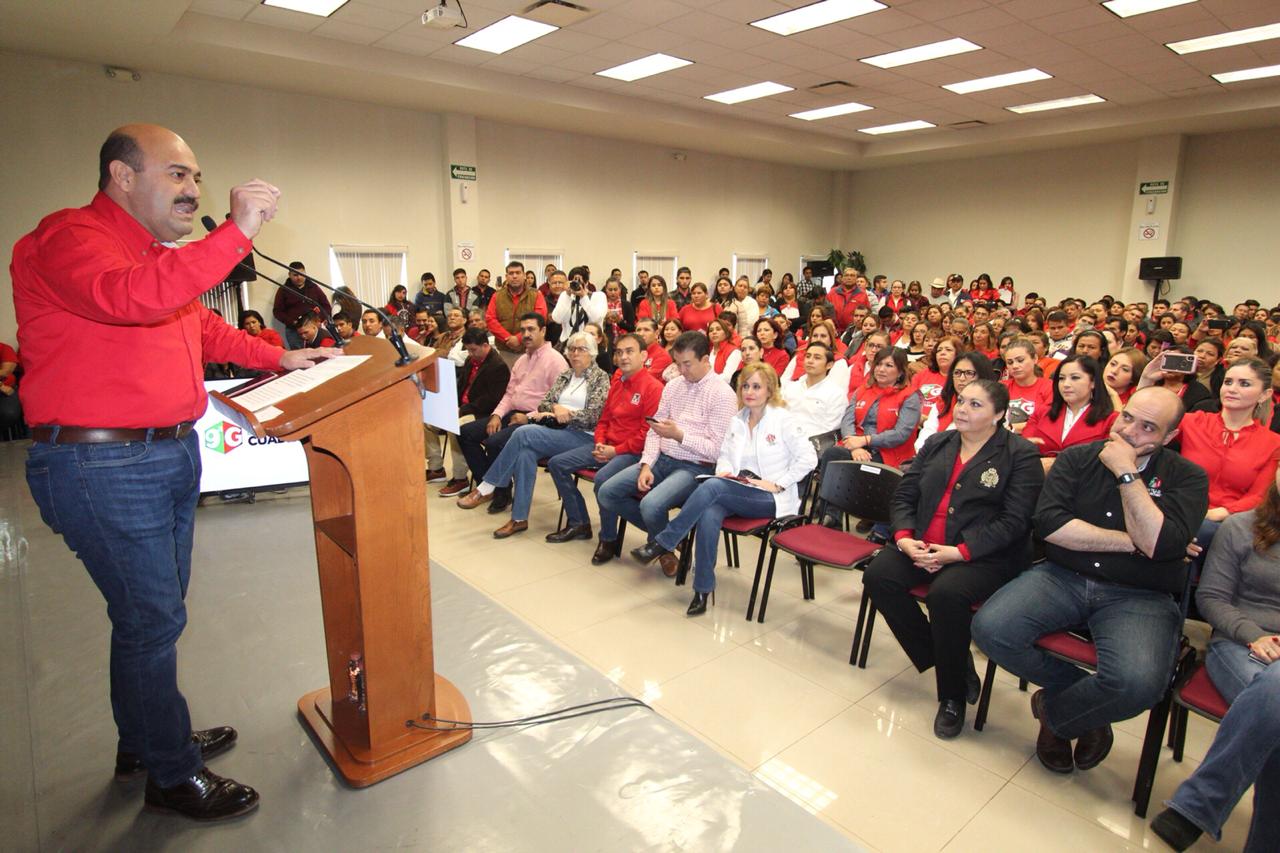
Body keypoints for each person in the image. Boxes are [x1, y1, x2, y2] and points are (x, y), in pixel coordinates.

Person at [10, 123, 341, 820]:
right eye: (177, 174)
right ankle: (170, 772)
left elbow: (199, 326)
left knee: (147, 619)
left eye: (196, 177)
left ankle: (144, 741)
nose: (193, 189)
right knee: (153, 617)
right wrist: (236, 235)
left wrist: (278, 357)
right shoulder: (67, 239)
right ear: (122, 176)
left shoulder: (155, 259)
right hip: (101, 462)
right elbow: (132, 299)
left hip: (165, 452)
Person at [972, 387, 1209, 775]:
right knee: (991, 629)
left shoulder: (1188, 477)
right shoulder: (1078, 458)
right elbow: (1051, 526)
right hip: (1062, 575)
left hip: (1140, 595)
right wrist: (1137, 543)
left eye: (1148, 427)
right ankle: (1085, 704)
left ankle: (1057, 714)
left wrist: (1126, 473)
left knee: (1137, 683)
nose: (1130, 431)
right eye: (1127, 417)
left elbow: (1160, 543)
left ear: (1169, 437)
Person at [864, 380, 1044, 738]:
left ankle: (952, 697)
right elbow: (904, 495)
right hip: (923, 543)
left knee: (945, 595)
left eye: (975, 405)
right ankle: (953, 660)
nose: (962, 409)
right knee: (878, 576)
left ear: (999, 414)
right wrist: (904, 538)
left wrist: (959, 552)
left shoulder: (1020, 454)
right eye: (961, 401)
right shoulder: (938, 442)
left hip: (984, 555)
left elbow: (1015, 521)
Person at [1151, 470, 1280, 852]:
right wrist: (1253, 634)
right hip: (1239, 644)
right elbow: (1211, 598)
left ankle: (1196, 808)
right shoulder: (1241, 527)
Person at [633, 362, 817, 615]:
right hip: (737, 489)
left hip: (772, 497)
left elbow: (809, 459)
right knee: (709, 512)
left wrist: (779, 483)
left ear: (770, 390)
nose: (749, 392)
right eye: (745, 386)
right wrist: (726, 473)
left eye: (756, 387)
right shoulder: (737, 420)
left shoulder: (783, 419)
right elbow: (725, 458)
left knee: (713, 488)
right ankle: (702, 590)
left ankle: (664, 541)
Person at [595, 331, 738, 573]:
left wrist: (680, 435)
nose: (681, 370)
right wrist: (647, 464)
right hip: (661, 459)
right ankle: (668, 539)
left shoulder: (722, 394)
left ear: (706, 360)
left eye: (687, 364)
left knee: (650, 505)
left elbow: (716, 452)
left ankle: (663, 542)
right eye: (677, 364)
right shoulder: (673, 386)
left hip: (695, 468)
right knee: (607, 492)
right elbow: (654, 430)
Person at [455, 332, 610, 538]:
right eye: (572, 349)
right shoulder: (566, 375)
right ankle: (519, 518)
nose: (575, 353)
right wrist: (555, 408)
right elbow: (544, 403)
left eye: (581, 349)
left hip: (583, 435)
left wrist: (567, 414)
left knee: (524, 432)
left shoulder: (600, 378)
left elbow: (594, 416)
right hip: (556, 431)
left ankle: (487, 486)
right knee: (525, 453)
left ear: (592, 352)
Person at [1143, 356, 1280, 558]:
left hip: (1225, 522)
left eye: (1244, 384)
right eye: (1228, 382)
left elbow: (1259, 496)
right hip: (1180, 511)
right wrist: (1146, 380)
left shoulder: (1273, 443)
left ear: (1264, 394)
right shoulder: (1193, 422)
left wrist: (1220, 512)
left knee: (1204, 531)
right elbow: (1143, 425)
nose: (1232, 389)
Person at [538, 333, 663, 549]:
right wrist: (599, 442)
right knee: (557, 464)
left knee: (602, 480)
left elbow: (647, 434)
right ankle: (579, 522)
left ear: (643, 355)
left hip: (631, 452)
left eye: (629, 351)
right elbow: (603, 420)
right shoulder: (617, 383)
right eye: (619, 352)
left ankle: (609, 539)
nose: (623, 357)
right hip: (605, 446)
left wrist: (615, 450)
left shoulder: (654, 388)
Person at [454, 313, 566, 507]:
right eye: (522, 330)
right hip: (512, 413)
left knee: (494, 442)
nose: (526, 334)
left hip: (535, 420)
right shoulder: (522, 360)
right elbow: (509, 394)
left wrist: (529, 417)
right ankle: (488, 486)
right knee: (465, 433)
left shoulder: (556, 361)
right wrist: (496, 415)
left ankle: (499, 491)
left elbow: (558, 402)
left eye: (531, 329)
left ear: (543, 331)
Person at [818, 348, 922, 529]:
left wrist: (866, 440)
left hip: (888, 451)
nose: (881, 369)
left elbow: (901, 434)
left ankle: (875, 520)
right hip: (856, 445)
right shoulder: (863, 390)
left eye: (889, 365)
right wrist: (855, 446)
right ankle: (831, 517)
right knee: (833, 454)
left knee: (871, 466)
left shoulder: (910, 396)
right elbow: (847, 420)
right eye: (879, 364)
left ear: (900, 371)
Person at [433, 328, 510, 493]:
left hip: (481, 412)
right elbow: (461, 387)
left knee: (455, 428)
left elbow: (491, 400)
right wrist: (450, 405)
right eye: (468, 350)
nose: (470, 353)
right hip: (463, 407)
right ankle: (435, 468)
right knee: (428, 423)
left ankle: (460, 478)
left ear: (485, 345)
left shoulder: (498, 366)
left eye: (473, 349)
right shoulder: (471, 360)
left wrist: (462, 409)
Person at [1022, 355, 1117, 468]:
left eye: (1075, 378)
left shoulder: (1111, 420)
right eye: (1061, 378)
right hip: (1038, 475)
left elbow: (1105, 462)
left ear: (1093, 382)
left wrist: (1055, 464)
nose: (1066, 384)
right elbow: (1024, 450)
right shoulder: (1042, 412)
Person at [915, 352, 996, 450]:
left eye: (969, 373)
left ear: (982, 376)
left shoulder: (992, 406)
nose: (961, 378)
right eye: (957, 373)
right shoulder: (943, 401)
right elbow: (928, 431)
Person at [485, 260, 548, 362]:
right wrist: (508, 338)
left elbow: (540, 319)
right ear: (506, 276)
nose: (514, 276)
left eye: (518, 273)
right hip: (505, 350)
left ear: (524, 275)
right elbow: (490, 319)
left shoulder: (536, 295)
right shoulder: (497, 296)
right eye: (511, 273)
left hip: (531, 350)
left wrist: (519, 339)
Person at [272, 261, 330, 349]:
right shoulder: (283, 290)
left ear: (305, 273)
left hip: (313, 329)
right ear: (289, 275)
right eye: (295, 275)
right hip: (294, 331)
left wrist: (319, 319)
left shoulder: (313, 287)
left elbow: (326, 306)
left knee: (319, 352)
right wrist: (292, 322)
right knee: (299, 354)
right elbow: (277, 311)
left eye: (301, 274)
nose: (299, 277)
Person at [1002, 338, 1052, 432]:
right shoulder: (1001, 387)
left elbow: (1047, 422)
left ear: (1035, 359)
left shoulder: (1049, 387)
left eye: (1020, 360)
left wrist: (1011, 428)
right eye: (1010, 362)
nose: (1015, 366)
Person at [551, 268, 606, 341]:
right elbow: (557, 319)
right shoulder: (565, 296)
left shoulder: (599, 296)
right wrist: (567, 296)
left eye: (580, 282)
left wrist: (583, 297)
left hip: (591, 343)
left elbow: (596, 318)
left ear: (586, 282)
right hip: (569, 342)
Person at [634, 318, 672, 383]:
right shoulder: (633, 353)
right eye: (638, 330)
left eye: (646, 330)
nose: (641, 334)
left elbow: (644, 380)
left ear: (656, 334)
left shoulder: (662, 356)